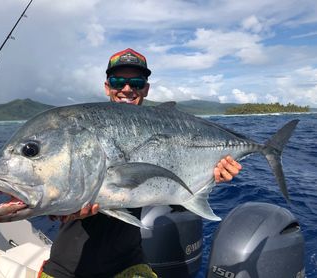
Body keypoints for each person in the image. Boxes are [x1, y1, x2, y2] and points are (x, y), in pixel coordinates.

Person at [39, 48, 242, 278]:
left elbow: (175, 193)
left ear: (146, 88)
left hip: (130, 264)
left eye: (136, 82)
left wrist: (213, 175)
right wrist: (62, 211)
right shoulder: (87, 128)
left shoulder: (162, 130)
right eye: (118, 81)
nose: (127, 89)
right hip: (68, 268)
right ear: (107, 86)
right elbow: (52, 195)